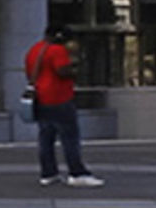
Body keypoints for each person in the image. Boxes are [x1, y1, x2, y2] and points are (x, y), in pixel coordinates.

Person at [25, 24, 103, 186]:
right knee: (70, 138)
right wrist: (74, 70)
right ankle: (77, 173)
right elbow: (62, 71)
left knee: (46, 137)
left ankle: (48, 173)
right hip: (59, 98)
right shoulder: (56, 50)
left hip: (40, 99)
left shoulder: (34, 50)